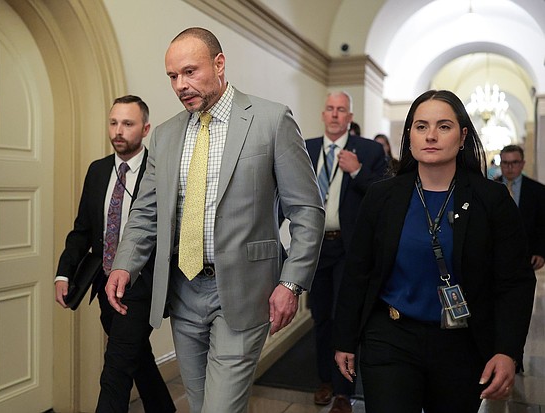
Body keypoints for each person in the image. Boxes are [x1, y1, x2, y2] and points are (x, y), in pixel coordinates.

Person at [105, 27, 325, 413]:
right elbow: (145, 210)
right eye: (173, 76)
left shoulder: (271, 121)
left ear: (219, 64)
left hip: (243, 290)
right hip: (183, 291)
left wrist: (291, 282)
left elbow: (307, 210)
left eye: (190, 72)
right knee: (201, 402)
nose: (181, 85)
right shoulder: (167, 135)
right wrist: (125, 262)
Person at [333, 90, 536, 413]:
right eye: (420, 126)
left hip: (461, 344)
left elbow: (515, 282)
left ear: (462, 135)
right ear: (409, 135)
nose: (430, 135)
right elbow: (358, 271)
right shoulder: (382, 197)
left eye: (443, 126)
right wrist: (344, 338)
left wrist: (507, 351)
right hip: (390, 337)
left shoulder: (492, 200)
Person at [54, 95, 175, 413]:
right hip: (103, 282)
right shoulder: (97, 171)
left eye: (128, 123)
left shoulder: (159, 170)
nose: (118, 130)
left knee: (116, 368)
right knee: (138, 359)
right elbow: (82, 229)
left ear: (145, 128)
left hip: (141, 285)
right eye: (113, 122)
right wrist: (64, 271)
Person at [306, 91, 387, 413]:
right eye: (330, 109)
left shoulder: (369, 150)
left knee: (345, 317)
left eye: (342, 110)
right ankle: (325, 380)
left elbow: (383, 195)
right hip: (316, 247)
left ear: (350, 117)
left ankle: (344, 391)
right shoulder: (306, 148)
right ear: (323, 114)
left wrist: (356, 171)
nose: (336, 115)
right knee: (320, 317)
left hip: (350, 248)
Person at [497, 144, 545, 270]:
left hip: (526, 256)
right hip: (495, 255)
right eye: (505, 163)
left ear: (522, 164)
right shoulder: (489, 188)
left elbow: (542, 224)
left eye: (514, 162)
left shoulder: (538, 190)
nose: (510, 167)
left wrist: (541, 252)